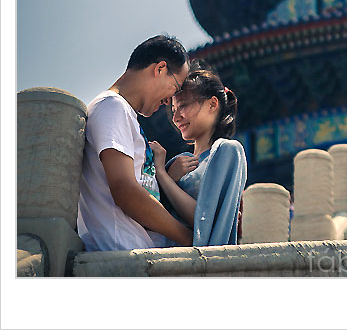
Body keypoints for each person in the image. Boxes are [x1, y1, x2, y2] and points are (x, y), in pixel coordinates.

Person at [77, 35, 193, 251]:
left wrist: (165, 175)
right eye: (175, 89)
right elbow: (125, 190)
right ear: (160, 69)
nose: (170, 102)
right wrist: (188, 238)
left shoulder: (122, 112)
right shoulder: (112, 107)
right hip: (125, 254)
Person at [149, 62, 247, 246]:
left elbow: (204, 221)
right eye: (173, 110)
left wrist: (163, 176)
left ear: (212, 104)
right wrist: (169, 174)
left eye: (183, 106)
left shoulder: (227, 150)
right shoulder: (177, 162)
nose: (176, 117)